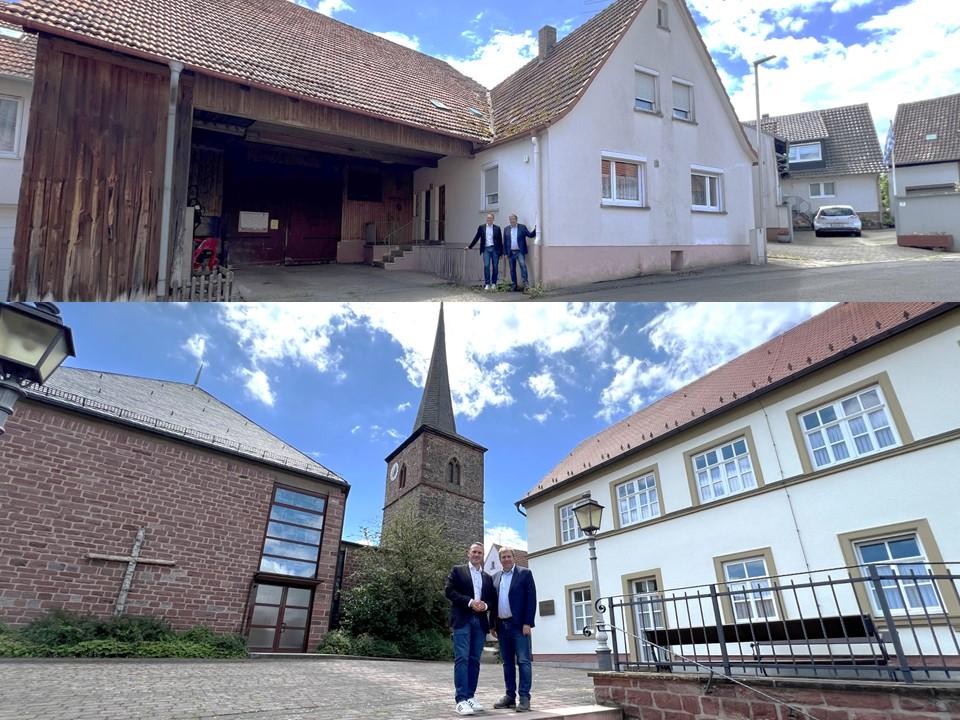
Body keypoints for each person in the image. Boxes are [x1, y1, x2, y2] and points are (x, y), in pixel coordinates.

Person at [445, 542, 497, 716]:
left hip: (480, 622)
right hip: (462, 620)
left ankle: (470, 696)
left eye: (479, 552)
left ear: (482, 556)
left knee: (474, 660)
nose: (476, 555)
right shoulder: (458, 571)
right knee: (462, 659)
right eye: (474, 552)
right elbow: (449, 591)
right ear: (468, 554)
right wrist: (470, 602)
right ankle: (460, 700)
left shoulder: (488, 578)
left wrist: (484, 605)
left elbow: (492, 601)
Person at [491, 547, 537, 713]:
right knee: (507, 664)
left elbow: (531, 600)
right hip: (502, 627)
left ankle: (524, 698)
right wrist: (492, 624)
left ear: (514, 557)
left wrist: (527, 623)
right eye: (503, 557)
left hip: (519, 626)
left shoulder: (525, 574)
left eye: (509, 556)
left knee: (524, 662)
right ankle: (510, 696)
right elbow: (492, 602)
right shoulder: (495, 577)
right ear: (500, 559)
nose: (506, 559)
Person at [466, 213, 503, 290]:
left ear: (493, 219)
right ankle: (487, 284)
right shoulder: (481, 227)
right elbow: (476, 237)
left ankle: (494, 283)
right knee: (486, 266)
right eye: (488, 218)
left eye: (490, 218)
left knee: (495, 267)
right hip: (486, 249)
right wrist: (470, 246)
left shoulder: (497, 228)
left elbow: (500, 241)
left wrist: (501, 253)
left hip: (495, 249)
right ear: (486, 219)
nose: (489, 219)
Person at [502, 215, 536, 291]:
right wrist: (505, 253)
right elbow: (504, 242)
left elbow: (530, 235)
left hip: (520, 252)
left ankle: (526, 284)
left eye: (513, 219)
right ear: (509, 220)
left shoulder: (522, 227)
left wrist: (536, 229)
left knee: (523, 266)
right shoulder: (506, 229)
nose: (512, 220)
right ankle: (514, 285)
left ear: (516, 220)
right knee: (512, 269)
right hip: (510, 252)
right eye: (510, 219)